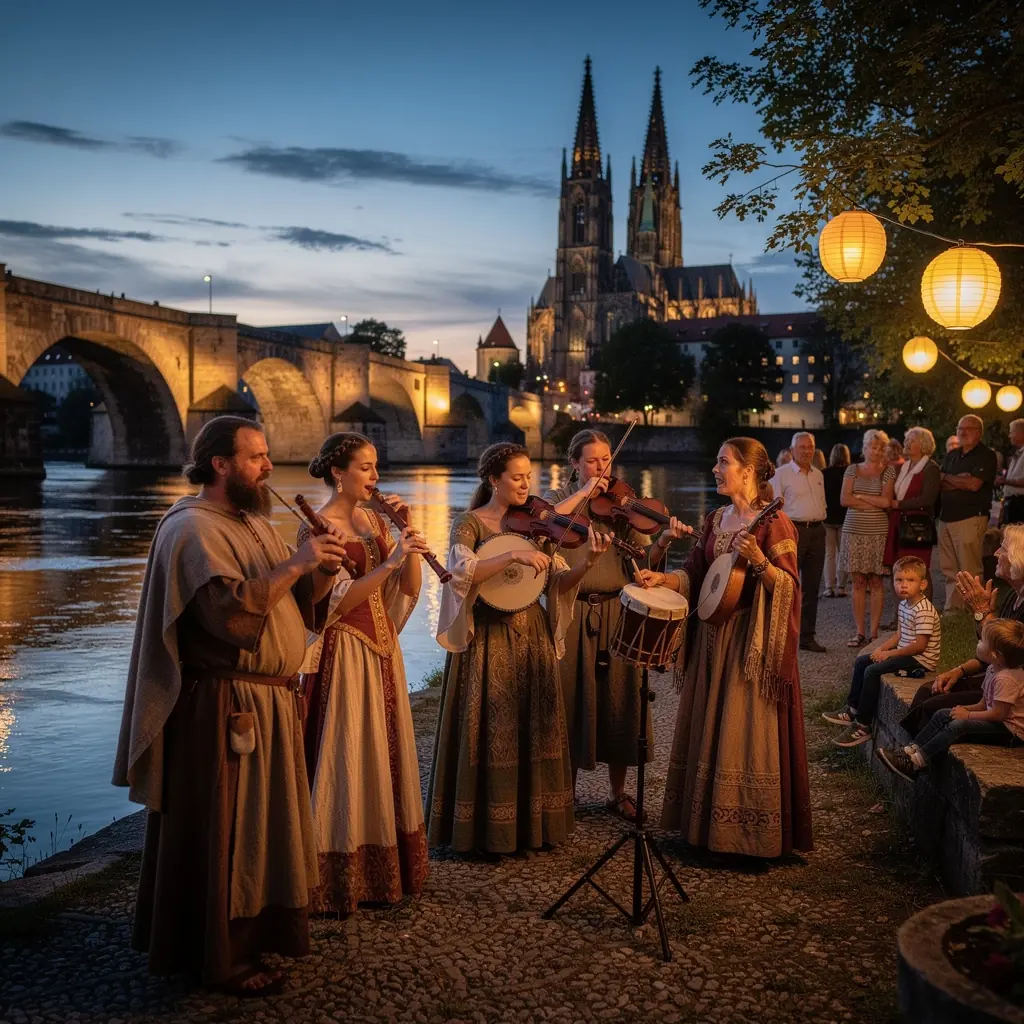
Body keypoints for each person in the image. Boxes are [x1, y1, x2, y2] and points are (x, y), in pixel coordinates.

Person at [113, 416, 349, 996]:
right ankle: (218, 956)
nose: (269, 467)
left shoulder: (251, 521)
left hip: (265, 702)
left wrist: (318, 571)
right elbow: (226, 614)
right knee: (227, 831)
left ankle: (256, 934)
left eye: (267, 455)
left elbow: (291, 605)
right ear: (220, 464)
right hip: (223, 705)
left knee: (261, 828)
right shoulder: (193, 528)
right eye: (257, 457)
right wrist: (296, 563)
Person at [427, 442, 610, 854]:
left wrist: (587, 564)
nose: (526, 483)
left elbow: (557, 585)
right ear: (494, 480)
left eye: (529, 475)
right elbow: (461, 573)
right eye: (516, 476)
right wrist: (512, 553)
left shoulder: (537, 527)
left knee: (534, 726)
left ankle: (534, 825)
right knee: (488, 728)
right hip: (487, 641)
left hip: (533, 638)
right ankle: (483, 829)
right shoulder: (469, 524)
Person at [637, 438, 813, 858]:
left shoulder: (776, 524)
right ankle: (702, 828)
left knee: (741, 729)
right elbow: (696, 574)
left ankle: (746, 836)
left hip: (747, 645)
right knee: (707, 724)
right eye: (717, 461)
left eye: (723, 462)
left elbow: (788, 588)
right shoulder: (716, 518)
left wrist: (758, 561)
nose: (715, 469)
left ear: (748, 471)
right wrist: (662, 580)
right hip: (711, 636)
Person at [299, 433, 430, 916]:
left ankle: (385, 867)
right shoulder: (316, 527)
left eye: (377, 467)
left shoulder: (375, 520)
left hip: (382, 650)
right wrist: (391, 561)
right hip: (344, 651)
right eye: (366, 468)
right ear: (338, 472)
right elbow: (329, 604)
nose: (375, 477)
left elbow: (409, 587)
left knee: (382, 752)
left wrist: (406, 540)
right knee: (347, 755)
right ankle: (336, 877)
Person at [544, 429, 691, 821]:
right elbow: (549, 526)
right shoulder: (562, 501)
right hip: (573, 611)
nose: (601, 469)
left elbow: (642, 560)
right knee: (573, 700)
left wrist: (663, 542)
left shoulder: (621, 505)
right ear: (574, 464)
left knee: (622, 701)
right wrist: (584, 496)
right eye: (592, 461)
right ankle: (566, 794)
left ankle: (618, 792)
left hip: (616, 610)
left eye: (607, 460)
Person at [901, 524, 1024, 735]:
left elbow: (1003, 650)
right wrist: (958, 670)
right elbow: (990, 653)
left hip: (1007, 692)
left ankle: (915, 758)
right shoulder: (1014, 597)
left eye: (1002, 548)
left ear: (1018, 558)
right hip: (992, 677)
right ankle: (909, 753)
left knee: (934, 706)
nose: (996, 553)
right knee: (928, 690)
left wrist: (983, 611)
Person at [877, 618, 1024, 781]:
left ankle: (915, 763)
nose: (978, 642)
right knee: (943, 714)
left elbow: (998, 715)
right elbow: (984, 703)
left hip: (1009, 730)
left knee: (957, 725)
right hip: (997, 719)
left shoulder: (1006, 679)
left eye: (982, 641)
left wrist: (968, 716)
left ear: (995, 655)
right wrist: (966, 709)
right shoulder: (992, 669)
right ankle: (911, 749)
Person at [821, 556, 940, 747]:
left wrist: (889, 655)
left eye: (910, 581)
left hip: (920, 660)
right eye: (899, 580)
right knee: (862, 661)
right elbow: (899, 634)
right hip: (907, 654)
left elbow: (920, 646)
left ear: (923, 584)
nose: (903, 585)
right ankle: (852, 709)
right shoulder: (904, 605)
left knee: (872, 671)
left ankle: (863, 725)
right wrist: (881, 648)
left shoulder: (923, 610)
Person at [771, 431, 828, 652]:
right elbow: (773, 508)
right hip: (792, 530)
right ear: (792, 450)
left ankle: (807, 636)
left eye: (810, 447)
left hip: (816, 530)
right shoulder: (781, 474)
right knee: (787, 584)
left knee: (812, 587)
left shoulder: (818, 475)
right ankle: (781, 636)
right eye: (802, 447)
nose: (806, 451)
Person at [840, 429, 897, 646]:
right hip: (854, 530)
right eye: (872, 446)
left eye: (880, 447)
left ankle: (873, 632)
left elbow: (887, 502)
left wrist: (861, 496)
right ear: (864, 448)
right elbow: (844, 499)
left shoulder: (888, 472)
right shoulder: (852, 469)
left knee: (876, 581)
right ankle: (859, 632)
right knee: (858, 582)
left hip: (877, 532)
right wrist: (875, 500)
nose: (876, 451)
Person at [937, 414, 998, 611]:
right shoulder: (952, 455)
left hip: (970, 517)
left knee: (970, 568)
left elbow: (974, 485)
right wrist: (958, 479)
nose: (962, 432)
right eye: (959, 428)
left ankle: (976, 609)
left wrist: (950, 478)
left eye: (968, 428)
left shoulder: (986, 456)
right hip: (946, 517)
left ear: (979, 432)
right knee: (949, 569)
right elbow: (939, 483)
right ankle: (953, 609)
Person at [884, 427, 941, 569]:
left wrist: (898, 504)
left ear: (923, 445)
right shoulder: (903, 467)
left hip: (916, 526)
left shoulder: (930, 468)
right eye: (906, 440)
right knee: (897, 568)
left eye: (912, 440)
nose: (906, 443)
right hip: (897, 522)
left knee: (917, 569)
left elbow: (927, 499)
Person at [823, 444, 851, 598]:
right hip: (846, 518)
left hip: (827, 518)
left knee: (830, 554)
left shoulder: (824, 474)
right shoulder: (850, 473)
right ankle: (841, 586)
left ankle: (829, 586)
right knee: (844, 553)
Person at [1000, 418, 1024, 525]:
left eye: (1011, 432)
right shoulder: (1017, 453)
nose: (1009, 436)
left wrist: (1005, 481)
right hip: (1012, 504)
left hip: (1020, 504)